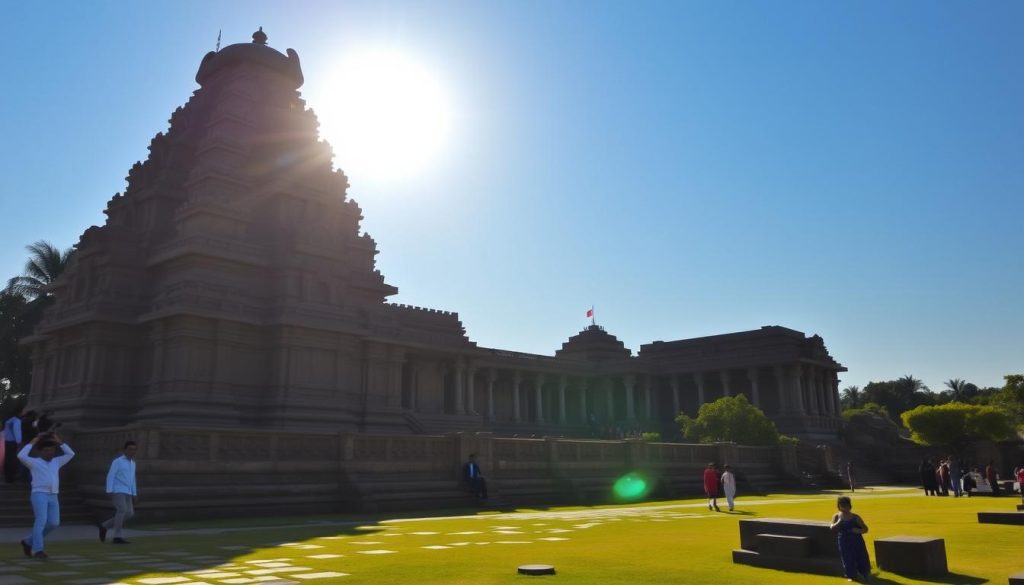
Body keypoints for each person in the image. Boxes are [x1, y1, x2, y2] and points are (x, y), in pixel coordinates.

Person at [17, 432, 75, 559]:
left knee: (54, 523)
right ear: (40, 452)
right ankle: (38, 550)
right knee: (41, 521)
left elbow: (71, 454)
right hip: (39, 494)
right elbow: (21, 455)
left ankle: (28, 541)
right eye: (47, 450)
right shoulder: (34, 462)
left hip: (53, 495)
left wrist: (59, 442)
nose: (50, 453)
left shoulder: (56, 461)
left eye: (52, 450)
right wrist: (35, 440)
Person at [99, 441, 138, 544]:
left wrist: (134, 493)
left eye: (134, 449)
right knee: (122, 510)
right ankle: (117, 536)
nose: (132, 451)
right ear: (125, 450)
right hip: (118, 490)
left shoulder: (133, 463)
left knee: (129, 513)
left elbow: (133, 479)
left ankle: (104, 526)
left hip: (128, 491)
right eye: (130, 449)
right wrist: (109, 490)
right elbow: (111, 475)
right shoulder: (118, 461)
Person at [830, 496, 871, 582]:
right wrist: (839, 521)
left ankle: (865, 574)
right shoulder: (836, 516)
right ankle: (851, 576)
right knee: (847, 558)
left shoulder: (855, 517)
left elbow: (865, 529)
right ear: (839, 506)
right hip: (843, 541)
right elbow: (832, 528)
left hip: (856, 540)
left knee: (861, 557)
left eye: (846, 505)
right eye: (842, 505)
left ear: (850, 506)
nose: (845, 508)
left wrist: (858, 530)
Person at [3, 409, 24, 483]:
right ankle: (11, 477)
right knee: (12, 459)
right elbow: (17, 431)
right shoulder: (17, 421)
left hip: (7, 441)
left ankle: (7, 476)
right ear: (19, 413)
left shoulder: (8, 421)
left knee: (7, 459)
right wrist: (19, 442)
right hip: (13, 442)